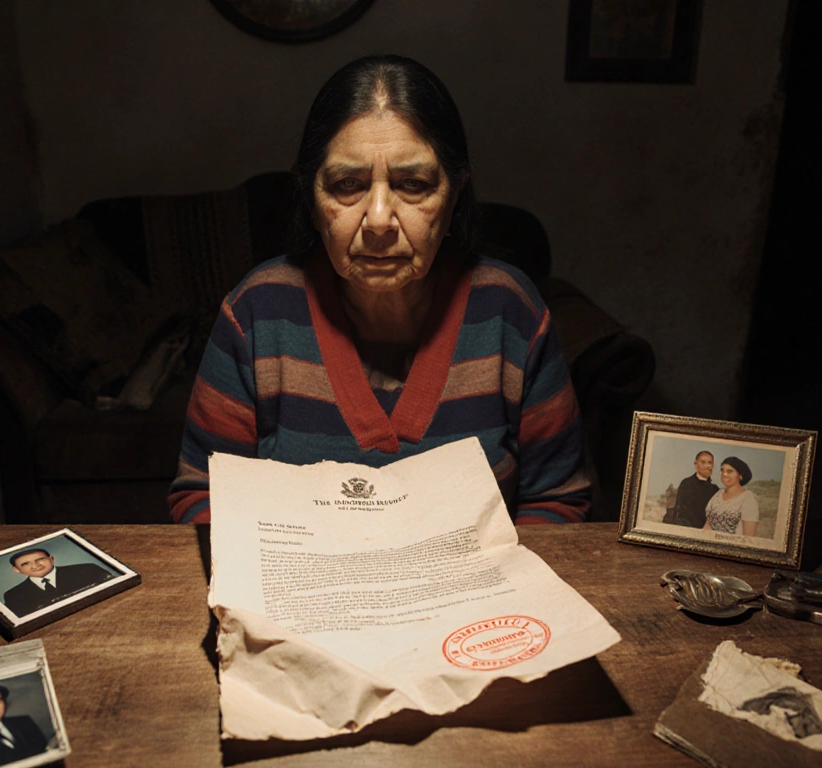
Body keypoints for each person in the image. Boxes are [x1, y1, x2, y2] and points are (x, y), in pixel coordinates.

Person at [168, 54, 589, 525]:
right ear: (311, 199)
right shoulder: (255, 315)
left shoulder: (510, 312)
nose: (380, 220)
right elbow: (201, 497)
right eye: (348, 185)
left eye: (413, 184)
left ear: (453, 197)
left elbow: (557, 501)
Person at [1, 548, 113, 617]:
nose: (35, 566)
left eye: (40, 559)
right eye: (25, 564)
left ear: (52, 559)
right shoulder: (13, 595)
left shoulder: (87, 569)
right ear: (16, 570)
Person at [702, 456, 759, 536]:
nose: (724, 474)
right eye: (722, 470)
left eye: (730, 471)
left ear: (740, 475)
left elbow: (749, 537)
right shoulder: (718, 495)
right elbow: (707, 526)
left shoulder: (748, 499)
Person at [662, 450, 717, 528]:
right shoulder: (687, 484)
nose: (707, 466)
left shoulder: (715, 489)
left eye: (710, 463)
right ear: (696, 465)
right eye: (703, 462)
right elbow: (683, 513)